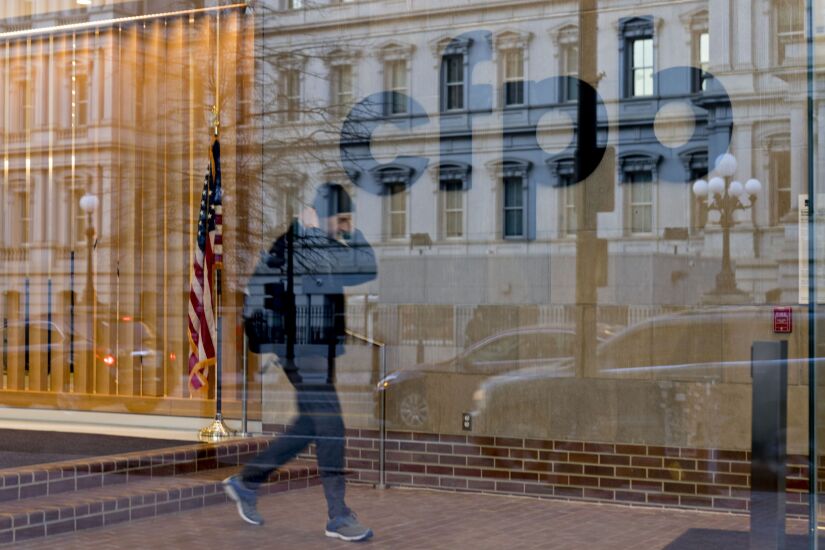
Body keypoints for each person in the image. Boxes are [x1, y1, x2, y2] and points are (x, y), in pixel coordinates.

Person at [224, 183, 376, 542]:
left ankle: (248, 481)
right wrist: (322, 233)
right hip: (301, 351)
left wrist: (347, 232)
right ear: (325, 216)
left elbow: (364, 269)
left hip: (317, 349)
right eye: (341, 219)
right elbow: (341, 269)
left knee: (309, 425)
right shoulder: (296, 244)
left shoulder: (317, 243)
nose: (344, 226)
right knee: (332, 426)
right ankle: (338, 515)